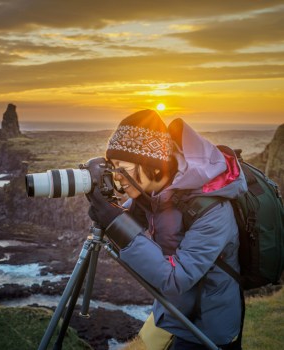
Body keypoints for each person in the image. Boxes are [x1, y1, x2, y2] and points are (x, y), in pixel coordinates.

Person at [86, 109, 247, 350]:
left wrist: (115, 222)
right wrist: (108, 210)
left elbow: (174, 279)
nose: (118, 178)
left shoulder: (212, 209)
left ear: (156, 167)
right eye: (113, 167)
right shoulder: (153, 192)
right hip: (172, 312)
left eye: (123, 168)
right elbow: (126, 225)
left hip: (206, 328)